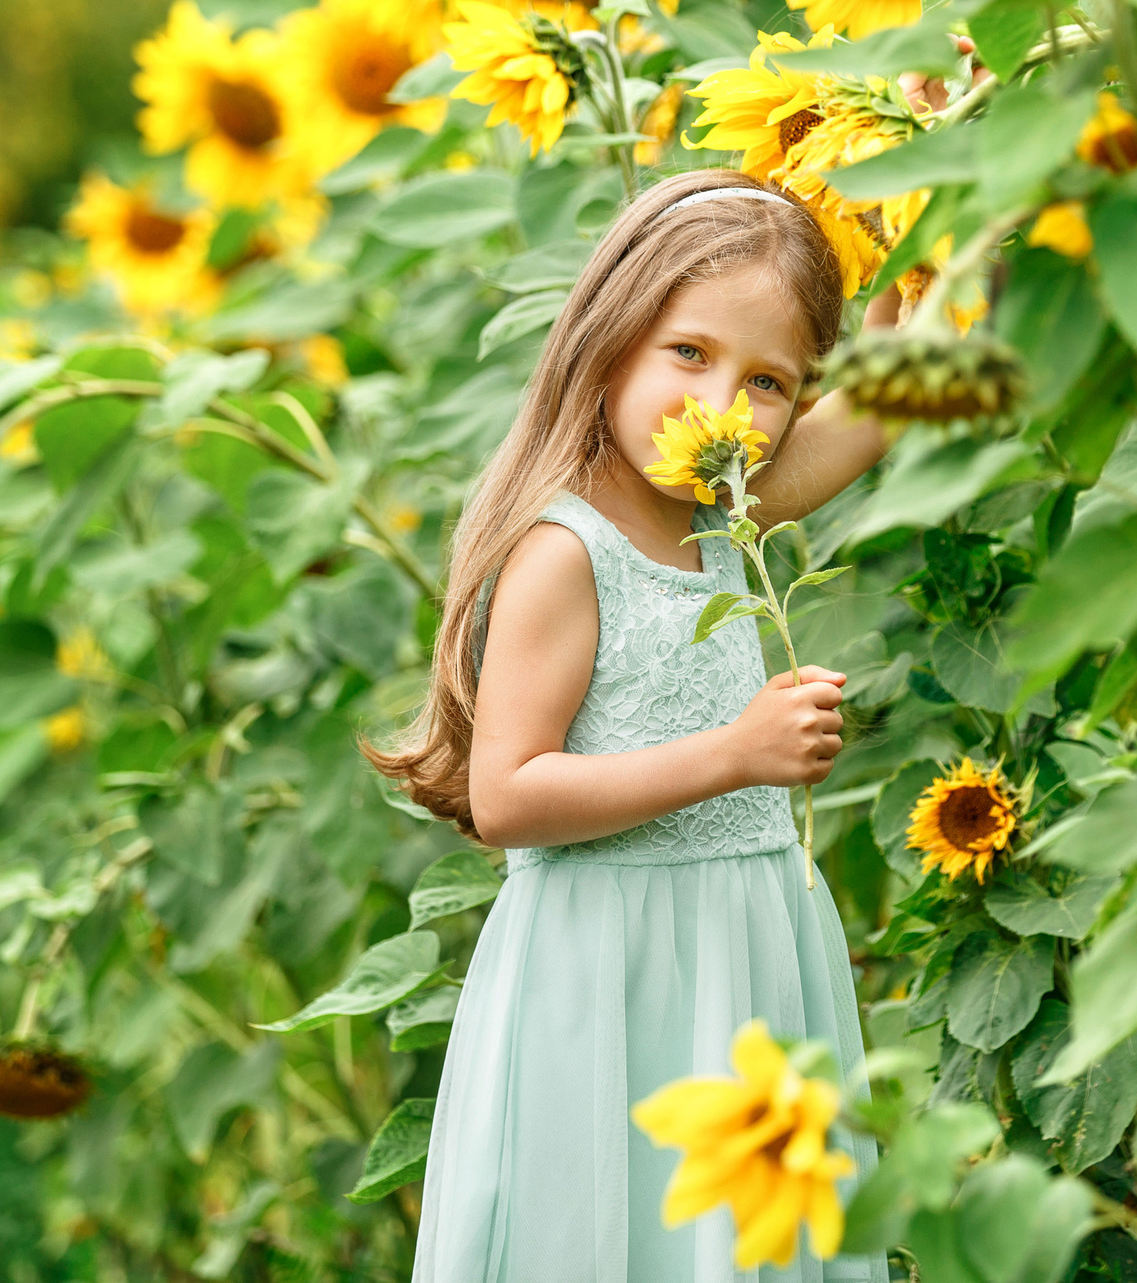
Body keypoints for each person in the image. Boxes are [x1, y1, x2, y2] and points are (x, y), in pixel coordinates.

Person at [372, 168, 900, 1281]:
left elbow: (859, 426)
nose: (722, 409)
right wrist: (736, 754)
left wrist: (921, 300)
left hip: (742, 952)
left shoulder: (712, 508)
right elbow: (509, 795)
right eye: (689, 353)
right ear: (607, 339)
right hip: (611, 971)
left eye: (768, 381)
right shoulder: (566, 551)